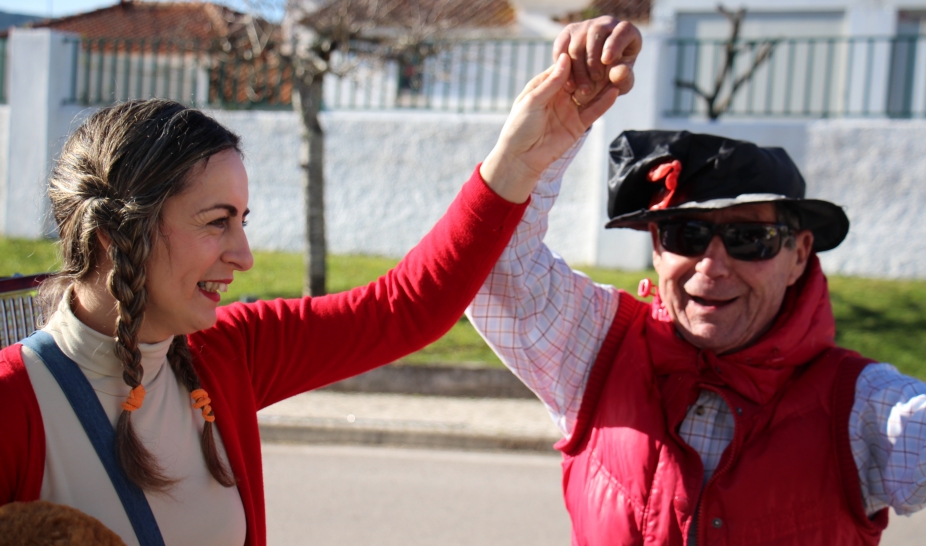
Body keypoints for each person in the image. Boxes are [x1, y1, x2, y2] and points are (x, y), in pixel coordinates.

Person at [0, 46, 638, 545]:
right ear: (117, 235)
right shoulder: (15, 403)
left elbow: (402, 309)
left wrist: (518, 163)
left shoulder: (227, 353)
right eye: (215, 221)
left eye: (242, 222)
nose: (243, 256)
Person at [468, 16, 926, 546]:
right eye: (686, 234)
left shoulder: (862, 408)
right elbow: (489, 268)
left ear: (799, 256)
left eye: (749, 239)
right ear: (657, 248)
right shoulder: (595, 349)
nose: (711, 267)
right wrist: (542, 148)